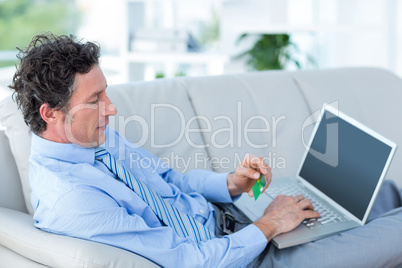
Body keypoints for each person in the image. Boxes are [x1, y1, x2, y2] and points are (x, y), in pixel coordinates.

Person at [10, 33, 402, 268]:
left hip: (235, 218)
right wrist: (268, 226)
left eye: (106, 93)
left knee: (380, 192)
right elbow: (187, 262)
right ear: (51, 114)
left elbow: (171, 181)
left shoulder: (95, 138)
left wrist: (231, 183)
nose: (110, 108)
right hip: (247, 258)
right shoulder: (72, 200)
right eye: (95, 99)